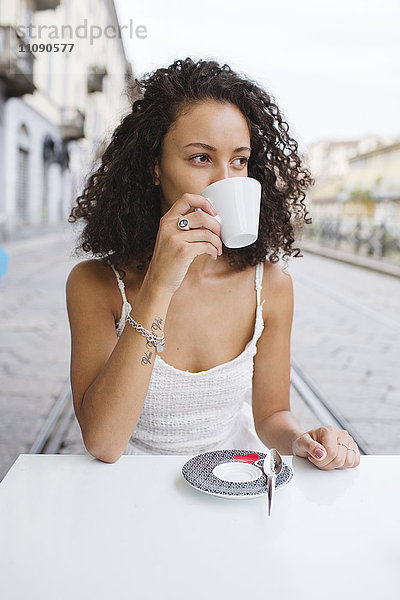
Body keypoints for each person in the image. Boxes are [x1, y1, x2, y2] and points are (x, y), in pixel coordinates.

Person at [66, 57, 360, 470]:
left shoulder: (271, 285)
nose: (226, 180)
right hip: (126, 489)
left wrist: (302, 440)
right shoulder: (95, 283)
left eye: (239, 160)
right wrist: (158, 286)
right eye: (201, 158)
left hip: (231, 480)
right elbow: (104, 441)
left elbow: (271, 415)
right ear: (154, 166)